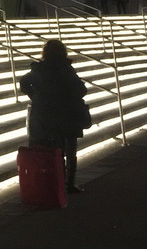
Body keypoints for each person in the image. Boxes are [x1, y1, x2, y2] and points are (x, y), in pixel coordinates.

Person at [19, 39, 89, 194]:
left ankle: (54, 183)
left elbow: (23, 83)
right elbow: (81, 89)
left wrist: (36, 96)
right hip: (67, 114)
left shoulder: (39, 70)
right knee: (70, 150)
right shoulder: (66, 69)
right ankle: (69, 183)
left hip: (46, 116)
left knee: (53, 150)